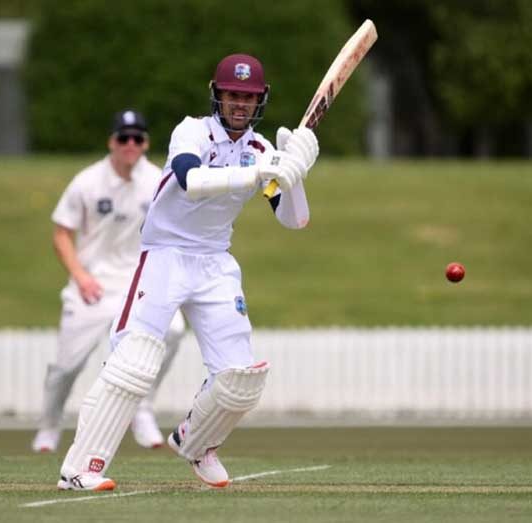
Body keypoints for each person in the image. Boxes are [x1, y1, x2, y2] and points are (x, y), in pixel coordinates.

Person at [55, 54, 319, 492]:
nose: (240, 104)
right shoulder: (191, 130)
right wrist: (261, 171)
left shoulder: (261, 151)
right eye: (233, 95)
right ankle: (79, 469)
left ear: (260, 102)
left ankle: (197, 442)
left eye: (248, 97)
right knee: (133, 359)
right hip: (166, 254)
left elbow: (294, 220)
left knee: (240, 377)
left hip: (215, 261)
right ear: (217, 95)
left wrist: (295, 173)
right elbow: (190, 180)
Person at [32, 109, 185, 453]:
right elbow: (61, 234)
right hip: (94, 286)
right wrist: (81, 277)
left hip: (139, 284)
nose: (130, 144)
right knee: (66, 367)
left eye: (137, 138)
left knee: (174, 329)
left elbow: (175, 230)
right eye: (123, 138)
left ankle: (142, 408)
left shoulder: (158, 180)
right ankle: (49, 425)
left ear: (145, 143)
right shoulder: (87, 182)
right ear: (111, 142)